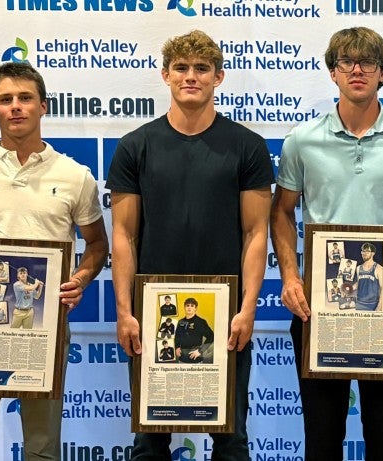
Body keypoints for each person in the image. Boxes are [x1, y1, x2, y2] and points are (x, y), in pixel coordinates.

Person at [270, 26, 383, 460]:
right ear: (333, 73)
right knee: (322, 438)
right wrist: (291, 276)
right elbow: (280, 212)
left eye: (369, 62)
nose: (358, 70)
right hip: (318, 306)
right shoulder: (301, 140)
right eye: (347, 61)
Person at [106, 30, 273, 460]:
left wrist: (247, 308)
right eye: (181, 68)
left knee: (231, 438)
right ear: (165, 75)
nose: (191, 76)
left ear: (219, 77)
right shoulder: (134, 147)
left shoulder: (248, 147)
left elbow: (257, 234)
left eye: (201, 69)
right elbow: (122, 237)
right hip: (153, 316)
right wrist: (125, 312)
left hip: (226, 314)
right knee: (149, 440)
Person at [0, 62, 108, 461]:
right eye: (5, 100)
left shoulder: (75, 176)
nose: (16, 107)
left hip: (43, 329)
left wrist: (80, 278)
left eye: (25, 98)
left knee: (43, 451)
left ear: (43, 106)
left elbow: (97, 244)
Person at [174, 298, 214, 363]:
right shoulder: (180, 322)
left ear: (195, 308)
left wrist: (200, 351)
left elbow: (211, 336)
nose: (189, 308)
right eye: (187, 305)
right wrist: (177, 347)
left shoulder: (201, 322)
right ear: (184, 307)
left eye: (192, 306)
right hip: (182, 359)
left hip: (196, 360)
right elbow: (177, 336)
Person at [353, 242, 383, 311]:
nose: (364, 253)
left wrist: (380, 306)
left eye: (367, 251)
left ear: (373, 253)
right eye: (363, 251)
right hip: (359, 303)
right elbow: (359, 282)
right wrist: (349, 288)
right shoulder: (358, 268)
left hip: (373, 305)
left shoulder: (379, 268)